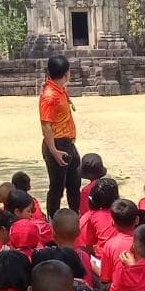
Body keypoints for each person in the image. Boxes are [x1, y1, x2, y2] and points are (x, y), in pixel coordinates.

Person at [39, 55, 80, 214]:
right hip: (57, 143)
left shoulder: (59, 88)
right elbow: (46, 125)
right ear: (66, 73)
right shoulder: (50, 96)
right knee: (57, 187)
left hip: (68, 142)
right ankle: (52, 220)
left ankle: (74, 216)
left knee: (74, 183)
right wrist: (54, 150)